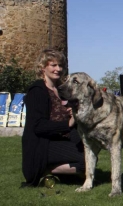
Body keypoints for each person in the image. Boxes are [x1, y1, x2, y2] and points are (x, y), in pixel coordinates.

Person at [21, 49, 86, 187]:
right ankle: (42, 169)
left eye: (60, 66)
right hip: (43, 143)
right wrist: (68, 123)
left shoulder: (60, 90)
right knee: (84, 161)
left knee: (90, 151)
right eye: (53, 65)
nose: (58, 69)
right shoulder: (37, 91)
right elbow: (38, 126)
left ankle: (64, 172)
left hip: (63, 137)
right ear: (43, 67)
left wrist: (72, 111)